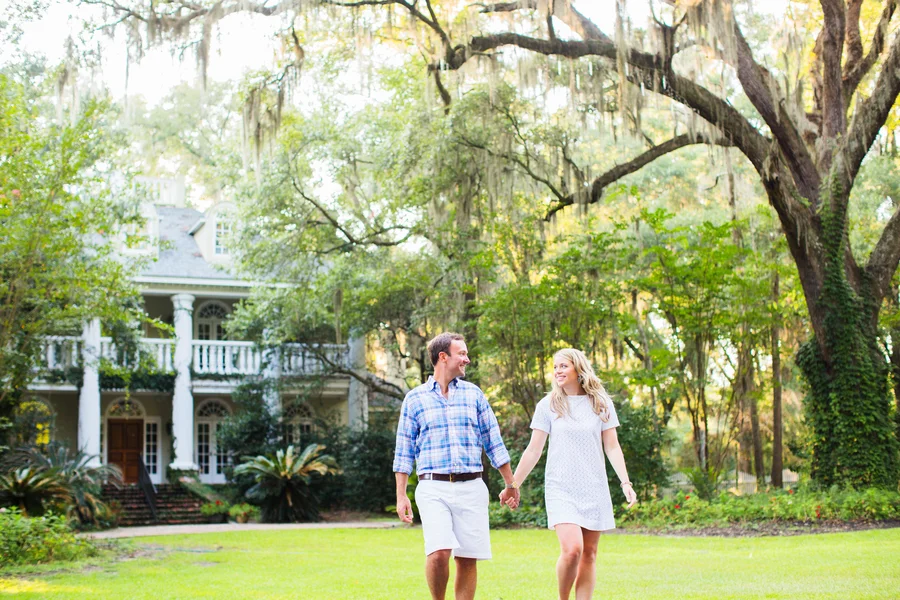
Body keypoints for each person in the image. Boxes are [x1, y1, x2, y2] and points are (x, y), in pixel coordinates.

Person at [499, 348, 637, 600]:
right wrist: (513, 483)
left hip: (594, 486)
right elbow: (533, 450)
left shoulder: (601, 403)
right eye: (555, 367)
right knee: (573, 550)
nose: (557, 371)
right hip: (561, 487)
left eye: (563, 366)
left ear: (578, 368)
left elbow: (612, 445)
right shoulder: (548, 405)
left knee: (589, 554)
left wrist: (625, 482)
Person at [393, 332, 519, 600]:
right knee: (439, 553)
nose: (467, 359)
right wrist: (401, 494)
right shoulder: (415, 400)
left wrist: (510, 484)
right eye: (461, 354)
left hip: (472, 486)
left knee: (467, 559)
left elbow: (494, 442)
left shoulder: (474, 395)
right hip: (432, 486)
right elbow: (403, 451)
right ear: (443, 357)